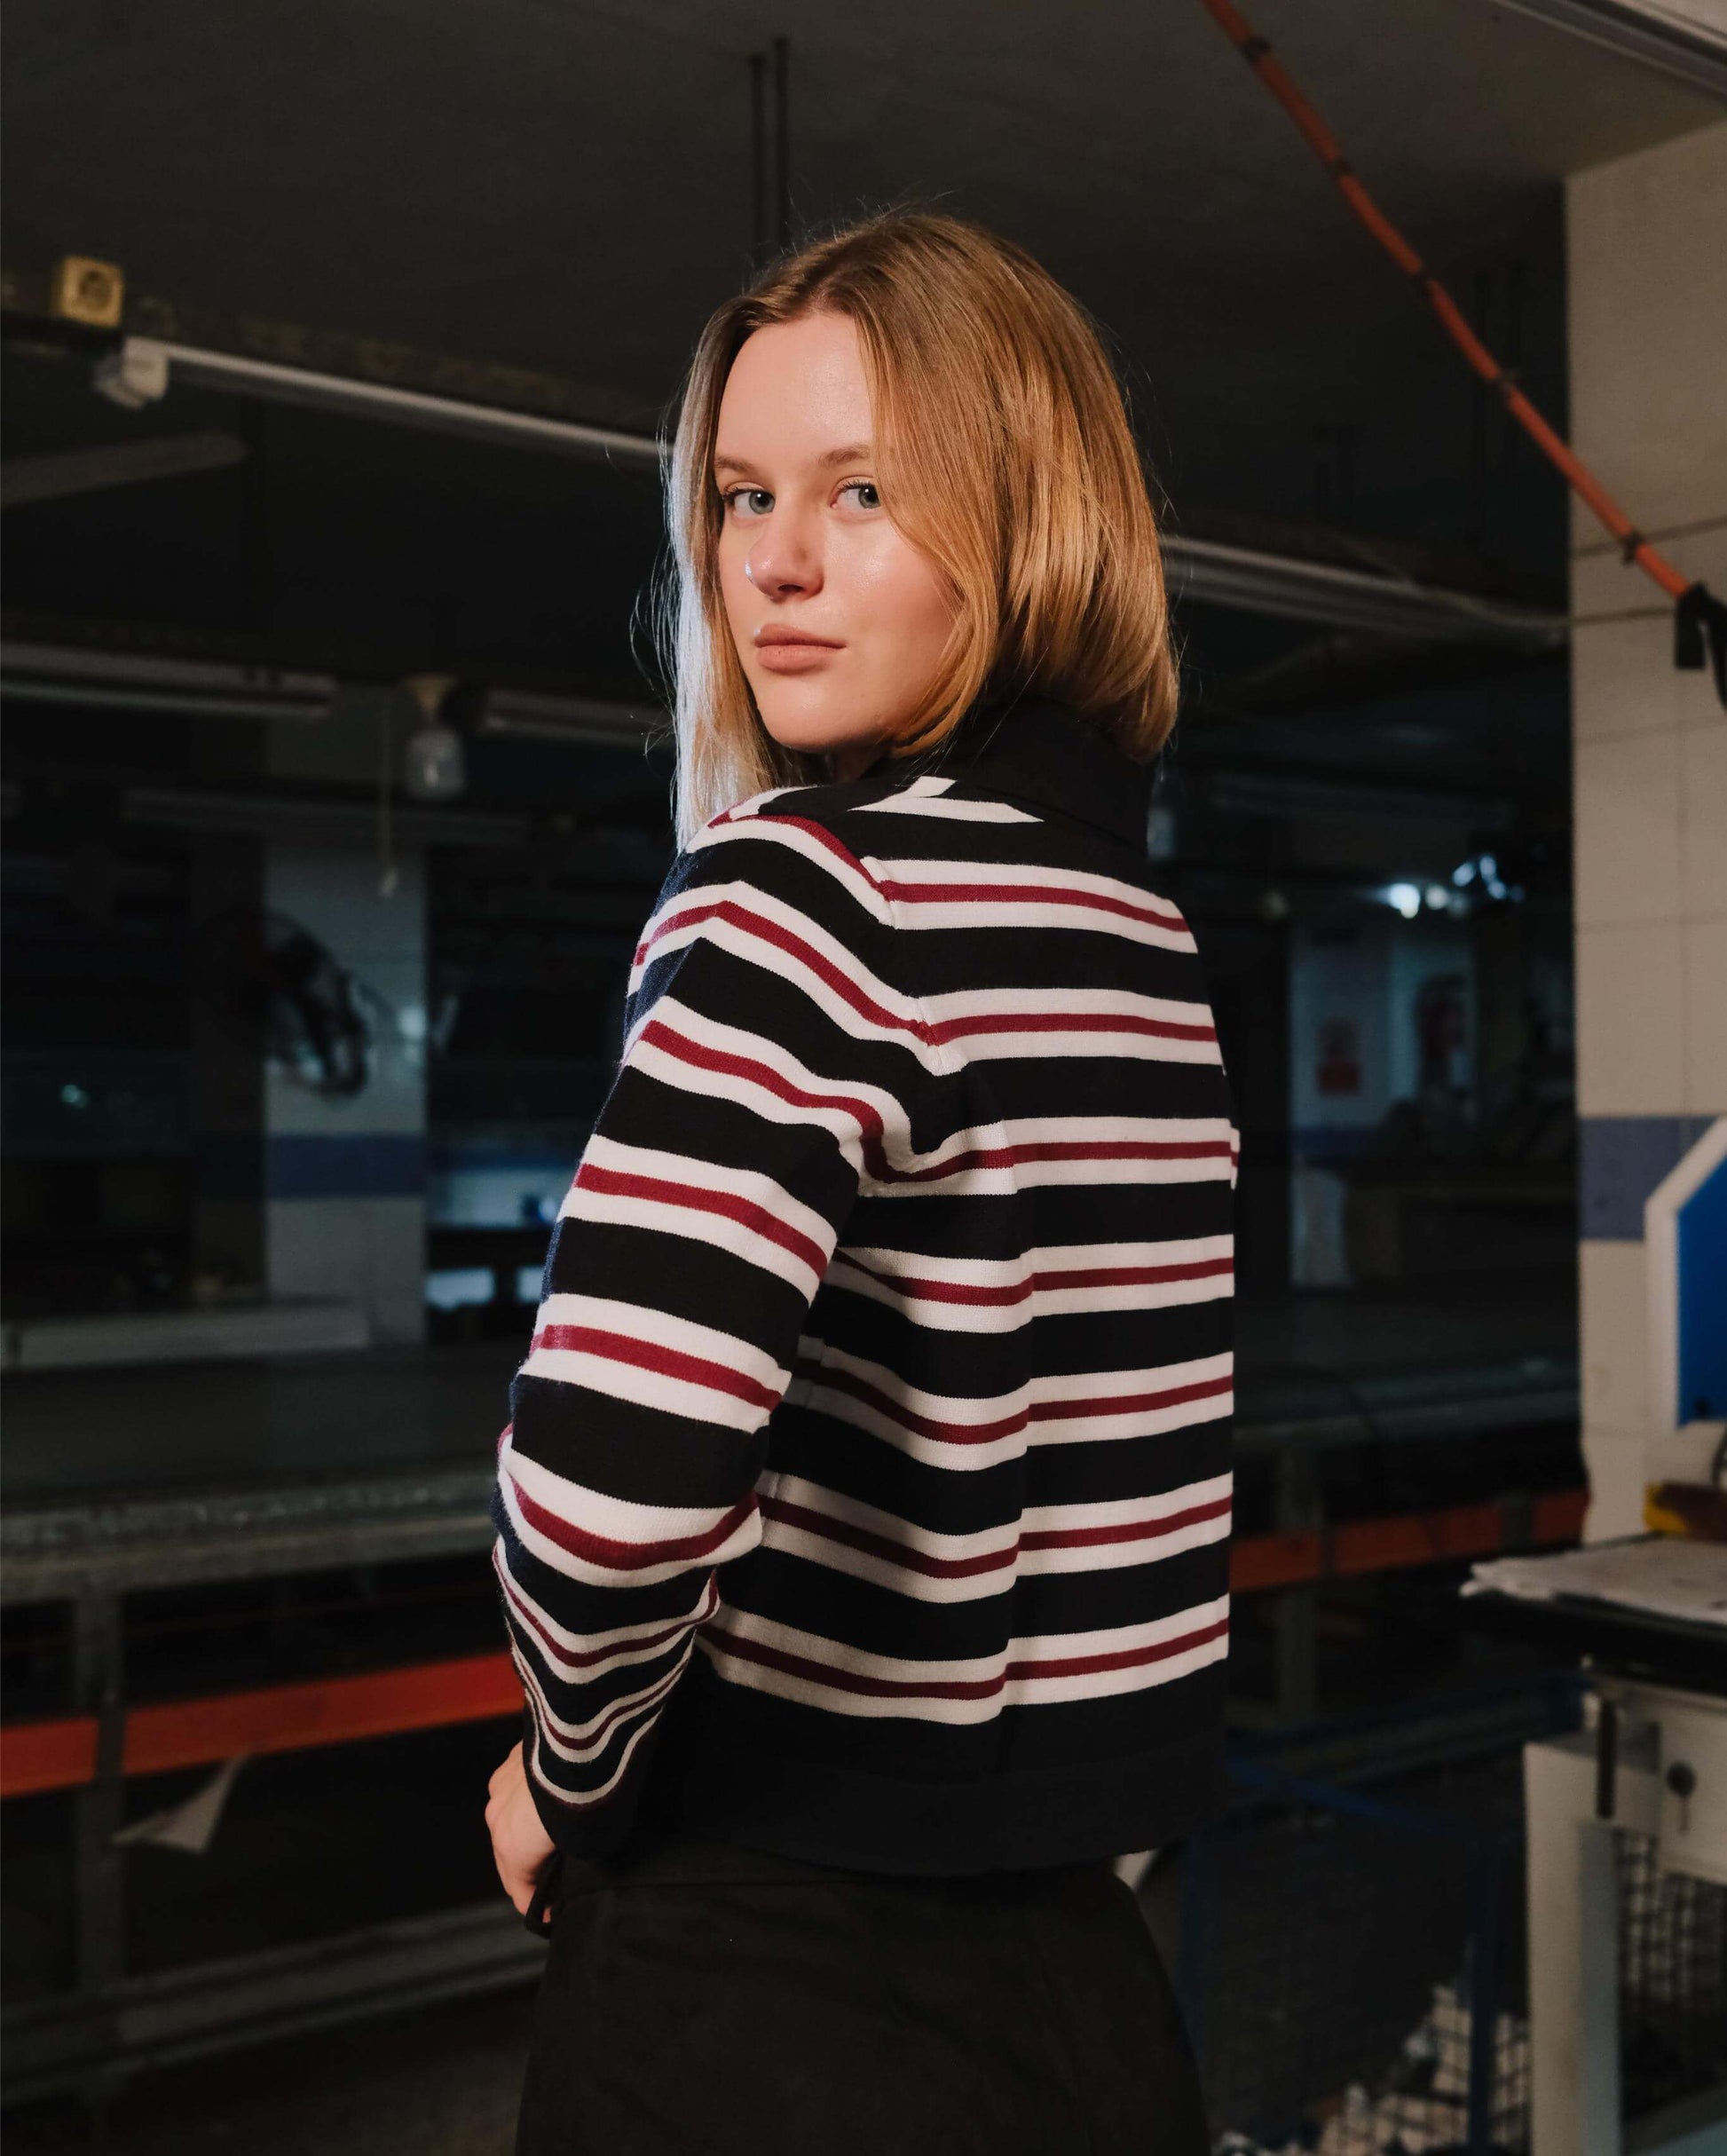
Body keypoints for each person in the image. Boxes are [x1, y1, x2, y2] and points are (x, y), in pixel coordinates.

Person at [485, 209, 1234, 2156]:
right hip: (1084, 1990)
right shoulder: (1140, 940)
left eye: (865, 491)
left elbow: (604, 1494)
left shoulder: (804, 893)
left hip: (768, 1991)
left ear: (1027, 514)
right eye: (740, 496)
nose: (774, 564)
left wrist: (578, 1776)